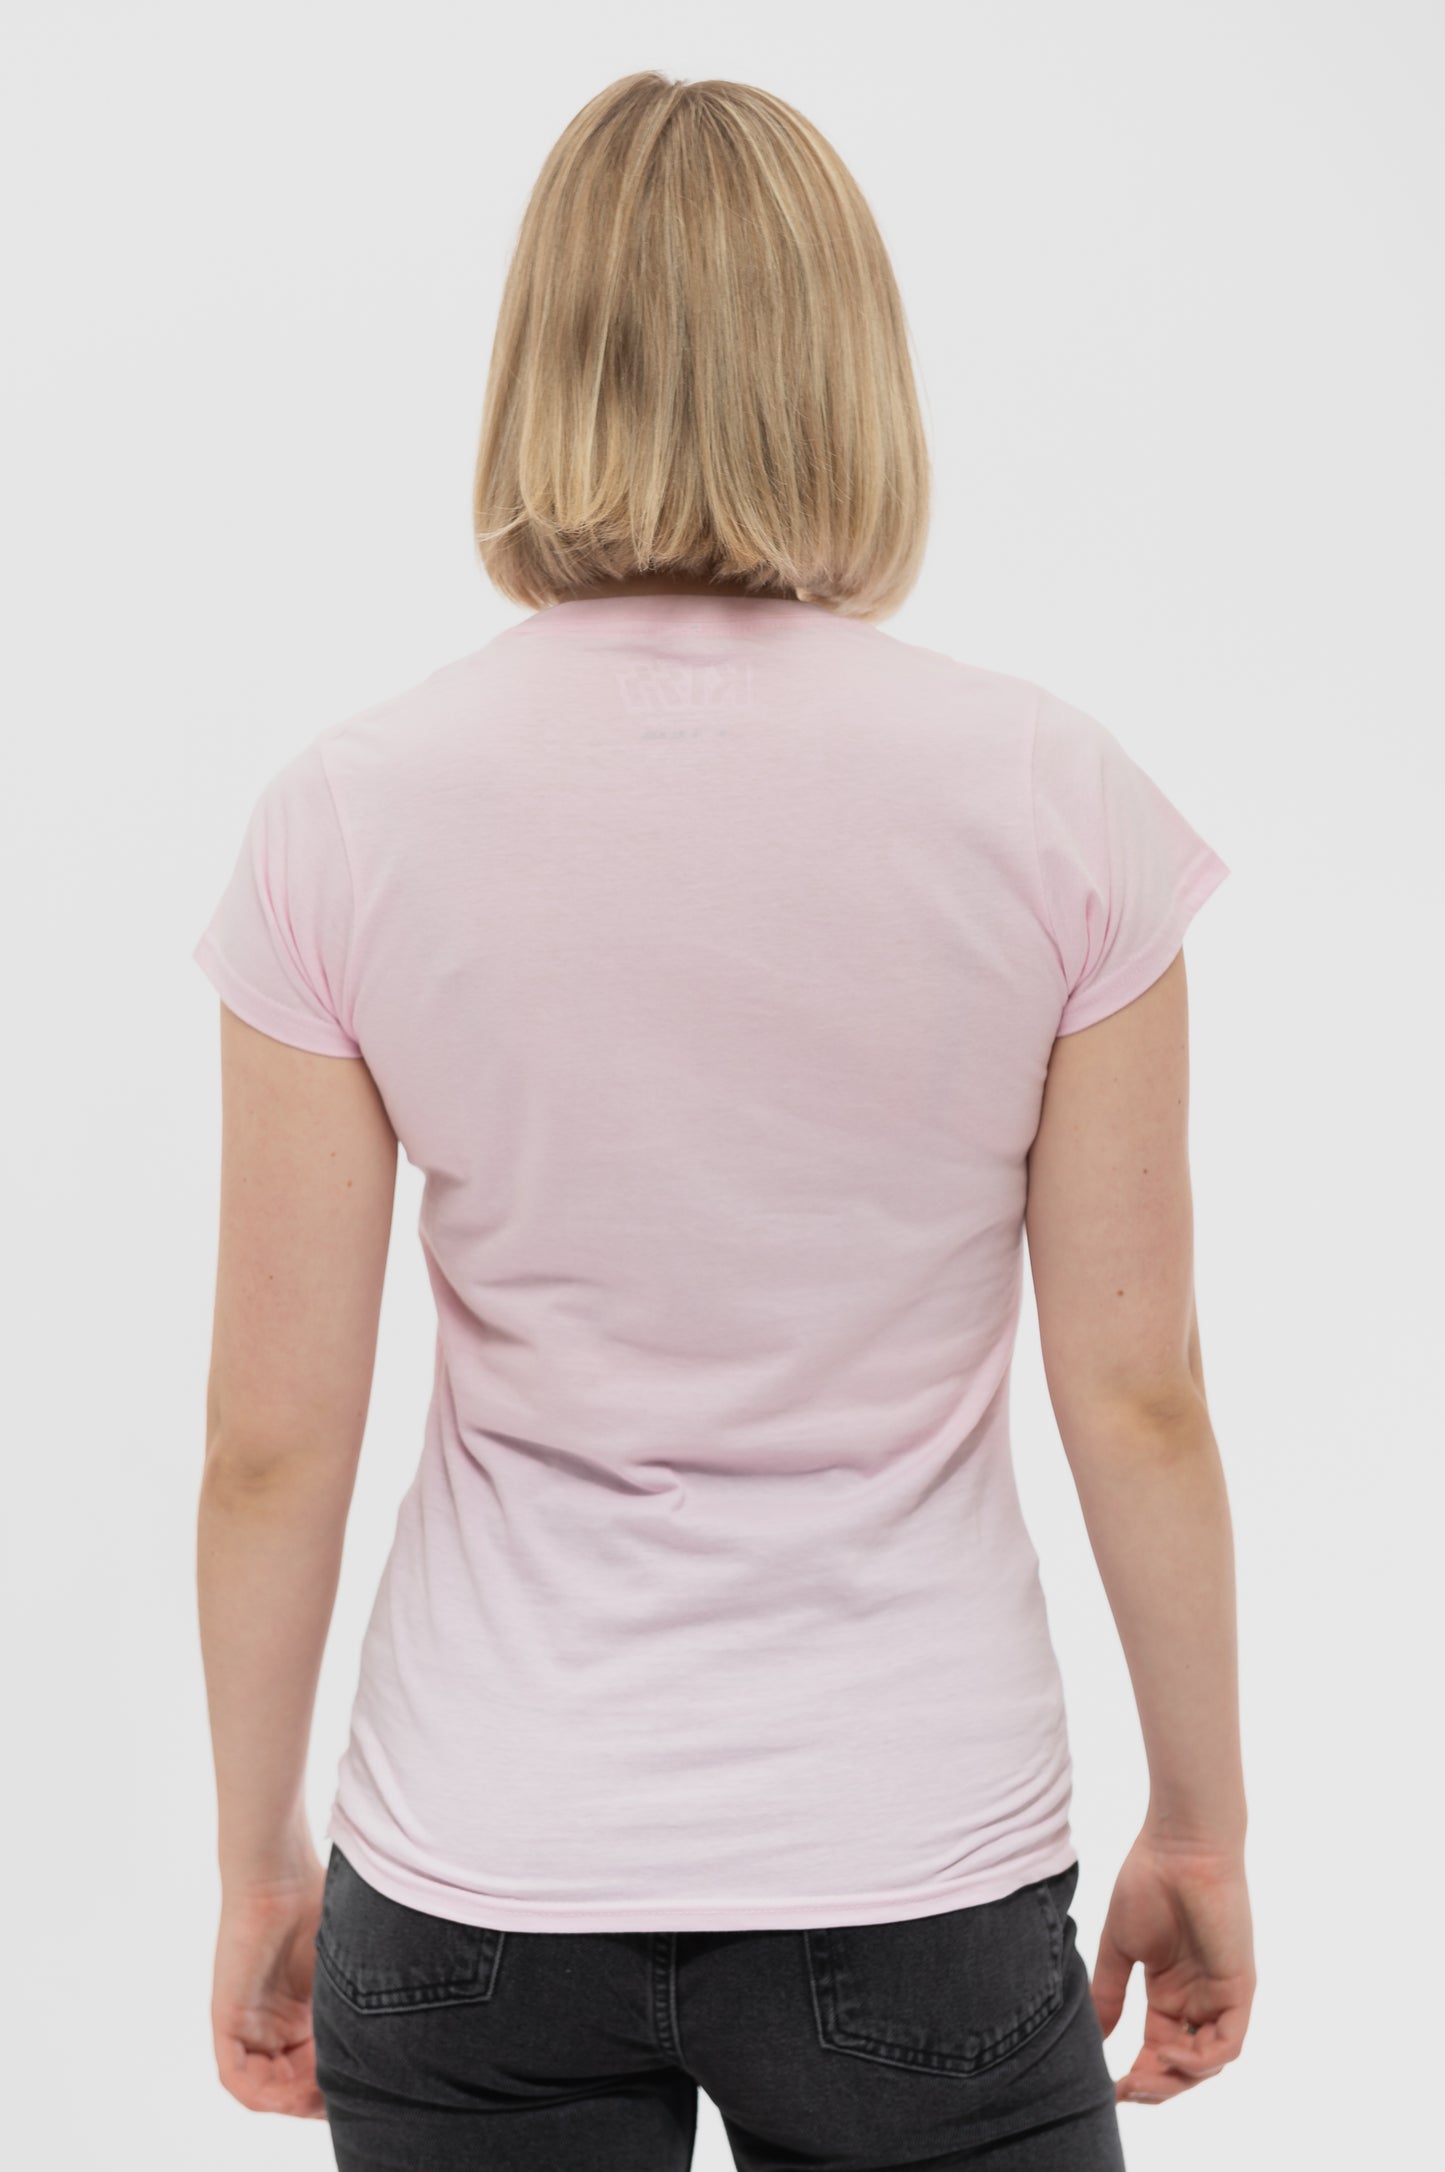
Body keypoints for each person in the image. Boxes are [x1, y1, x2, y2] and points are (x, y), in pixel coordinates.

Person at [193, 69, 1253, 2172]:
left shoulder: (351, 817)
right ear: (848, 371)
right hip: (914, 1862)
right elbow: (1137, 1400)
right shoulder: (1054, 804)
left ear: (540, 367)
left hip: (479, 1858)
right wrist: (1203, 1827)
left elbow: (270, 1442)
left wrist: (258, 1862)